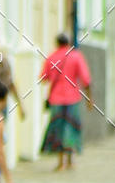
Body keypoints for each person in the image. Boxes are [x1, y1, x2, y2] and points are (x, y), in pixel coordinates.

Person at [40, 32, 94, 171]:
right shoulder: (76, 56)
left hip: (56, 100)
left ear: (57, 43)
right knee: (71, 128)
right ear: (68, 43)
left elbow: (43, 78)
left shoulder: (51, 57)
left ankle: (60, 163)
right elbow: (86, 79)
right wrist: (89, 99)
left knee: (58, 130)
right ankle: (70, 161)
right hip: (72, 99)